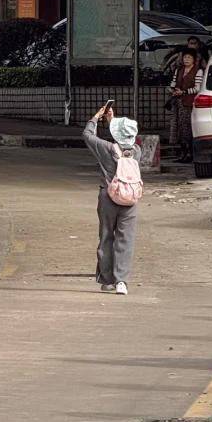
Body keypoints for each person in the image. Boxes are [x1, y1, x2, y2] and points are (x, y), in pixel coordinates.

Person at [83, 105, 141, 296]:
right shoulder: (137, 151)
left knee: (107, 236)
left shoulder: (106, 149)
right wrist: (112, 122)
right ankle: (121, 281)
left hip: (108, 196)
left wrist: (96, 118)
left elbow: (87, 135)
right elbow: (123, 140)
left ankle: (107, 280)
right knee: (126, 239)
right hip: (130, 198)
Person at [168, 50, 204, 163]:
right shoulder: (179, 70)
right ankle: (183, 153)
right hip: (178, 103)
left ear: (194, 59)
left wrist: (183, 92)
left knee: (187, 129)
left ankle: (190, 154)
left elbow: (198, 88)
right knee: (177, 128)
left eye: (189, 57)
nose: (186, 59)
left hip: (189, 103)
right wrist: (173, 90)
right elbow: (173, 83)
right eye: (185, 57)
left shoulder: (198, 71)